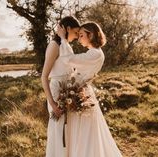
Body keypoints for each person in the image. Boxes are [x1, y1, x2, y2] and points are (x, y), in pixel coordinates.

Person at [56, 22, 122, 157]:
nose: (79, 39)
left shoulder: (95, 54)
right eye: (78, 35)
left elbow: (69, 59)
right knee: (80, 131)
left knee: (86, 133)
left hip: (82, 94)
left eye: (81, 35)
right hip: (80, 92)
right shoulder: (92, 53)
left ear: (90, 35)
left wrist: (63, 38)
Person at [41, 16, 80, 157]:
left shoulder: (65, 45)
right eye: (76, 33)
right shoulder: (54, 46)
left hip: (67, 91)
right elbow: (44, 76)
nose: (77, 37)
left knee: (69, 131)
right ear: (67, 29)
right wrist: (52, 103)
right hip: (57, 92)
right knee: (58, 131)